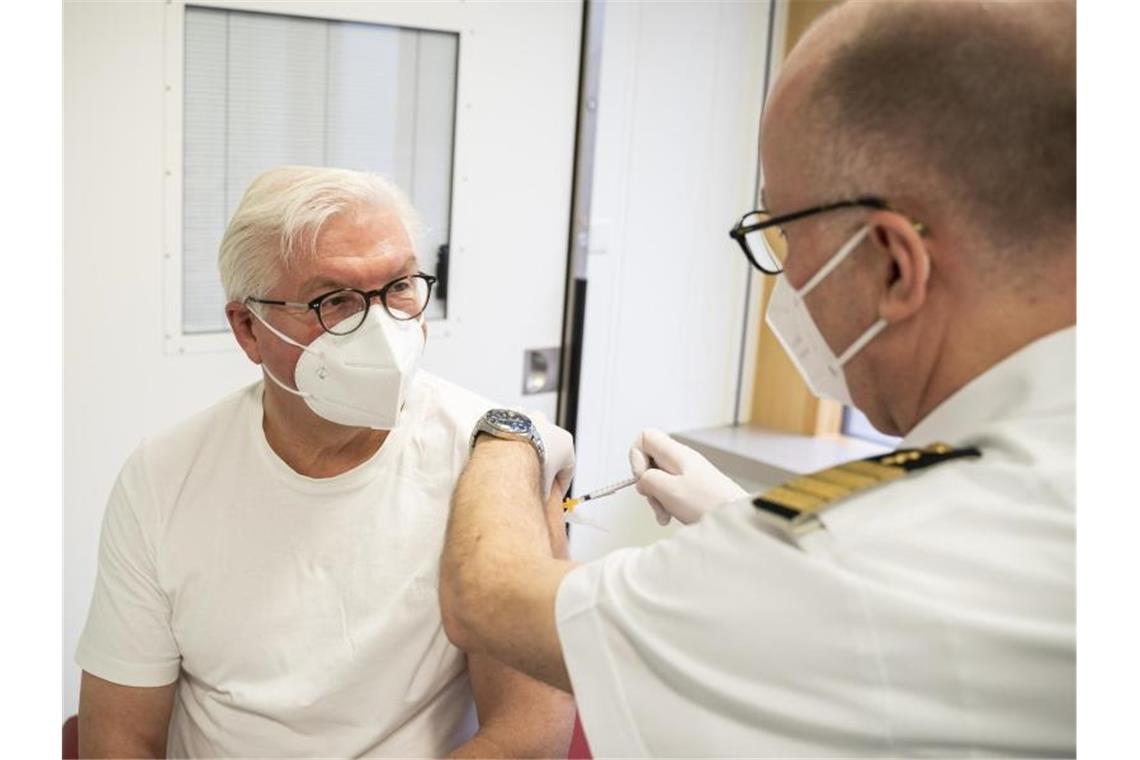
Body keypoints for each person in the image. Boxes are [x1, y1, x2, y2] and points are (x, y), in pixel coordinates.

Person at [440, 0, 1075, 756]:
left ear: (894, 265)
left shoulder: (865, 559)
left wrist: (509, 434)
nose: (785, 280)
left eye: (782, 234)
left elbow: (485, 597)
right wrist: (734, 517)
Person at [76, 166, 574, 757]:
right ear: (248, 329)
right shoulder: (163, 477)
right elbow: (119, 735)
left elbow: (530, 735)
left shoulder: (492, 461)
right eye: (333, 300)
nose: (382, 328)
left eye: (399, 287)